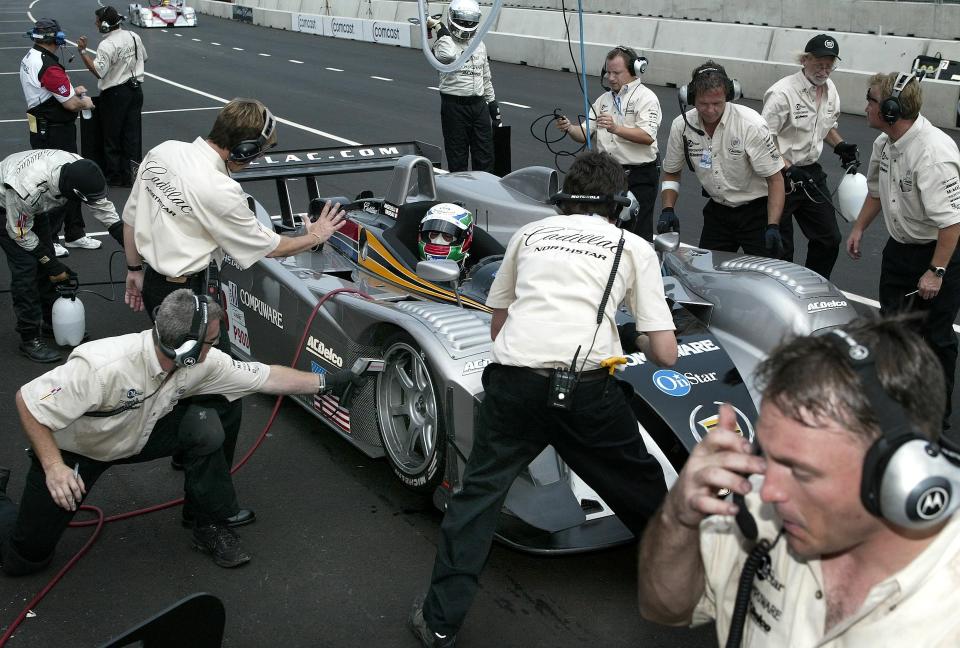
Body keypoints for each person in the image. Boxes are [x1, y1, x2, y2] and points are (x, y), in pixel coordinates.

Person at [408, 151, 678, 647]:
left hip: (516, 385)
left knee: (476, 501)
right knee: (646, 490)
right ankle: (687, 592)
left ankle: (439, 621)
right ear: (619, 204)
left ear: (564, 201)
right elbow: (665, 353)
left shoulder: (529, 235)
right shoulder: (633, 247)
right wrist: (632, 333)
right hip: (589, 393)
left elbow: (499, 323)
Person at [637, 317, 960, 645]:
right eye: (767, 455)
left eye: (802, 472)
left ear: (904, 473)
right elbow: (665, 610)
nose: (770, 491)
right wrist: (676, 517)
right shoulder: (754, 512)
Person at [0, 289, 365, 575]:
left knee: (209, 422)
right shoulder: (101, 366)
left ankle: (207, 523)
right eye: (212, 340)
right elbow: (28, 402)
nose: (217, 345)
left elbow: (266, 376)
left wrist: (328, 382)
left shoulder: (201, 363)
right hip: (79, 450)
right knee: (26, 559)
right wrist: (54, 467)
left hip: (140, 433)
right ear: (187, 348)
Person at [122, 98, 346, 526]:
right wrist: (314, 234)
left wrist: (134, 269)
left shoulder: (163, 152)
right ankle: (209, 507)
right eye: (256, 152)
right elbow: (271, 247)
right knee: (223, 397)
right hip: (190, 296)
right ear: (242, 151)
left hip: (154, 284)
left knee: (177, 375)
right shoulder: (219, 189)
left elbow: (132, 217)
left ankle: (184, 449)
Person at [846, 72, 960, 433]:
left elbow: (953, 224)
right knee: (892, 331)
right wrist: (859, 227)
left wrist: (936, 271)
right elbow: (877, 191)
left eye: (871, 99)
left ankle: (936, 419)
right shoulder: (884, 144)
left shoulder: (933, 154)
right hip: (900, 251)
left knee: (937, 337)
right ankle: (894, 405)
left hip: (940, 254)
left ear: (892, 110)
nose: (866, 105)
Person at [0, 150, 123, 363]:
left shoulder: (81, 168)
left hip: (36, 207)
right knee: (27, 269)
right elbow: (20, 234)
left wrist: (129, 243)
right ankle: (29, 338)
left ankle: (51, 321)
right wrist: (52, 263)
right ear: (74, 191)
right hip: (8, 207)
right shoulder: (25, 191)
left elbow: (104, 210)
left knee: (47, 264)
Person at [659, 61, 786, 259]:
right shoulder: (680, 126)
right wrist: (667, 209)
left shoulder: (751, 125)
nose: (710, 110)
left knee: (768, 275)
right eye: (703, 104)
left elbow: (775, 179)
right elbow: (672, 172)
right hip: (718, 212)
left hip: (757, 213)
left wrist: (773, 226)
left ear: (729, 96)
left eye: (717, 103)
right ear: (690, 98)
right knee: (707, 274)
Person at [762, 33, 857, 279]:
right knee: (781, 248)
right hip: (779, 175)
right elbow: (764, 138)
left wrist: (841, 146)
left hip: (810, 172)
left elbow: (825, 126)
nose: (824, 70)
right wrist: (786, 166)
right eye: (819, 63)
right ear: (805, 60)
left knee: (829, 238)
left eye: (829, 64)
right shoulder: (782, 93)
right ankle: (783, 294)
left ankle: (814, 285)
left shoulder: (830, 89)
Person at [556, 46, 661, 239]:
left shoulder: (646, 98)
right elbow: (586, 133)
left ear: (636, 70)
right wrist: (570, 128)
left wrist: (615, 128)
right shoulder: (603, 100)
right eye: (608, 73)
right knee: (606, 230)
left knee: (637, 232)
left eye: (617, 73)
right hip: (609, 175)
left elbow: (647, 136)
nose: (611, 78)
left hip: (639, 175)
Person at [20, 18, 101, 255]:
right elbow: (71, 104)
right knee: (56, 184)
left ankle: (74, 233)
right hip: (54, 131)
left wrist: (69, 93)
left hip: (42, 127)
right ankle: (52, 238)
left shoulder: (31, 57)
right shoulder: (50, 67)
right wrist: (86, 101)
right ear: (55, 40)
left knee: (68, 179)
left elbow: (48, 91)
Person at [425, 0, 501, 173]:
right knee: (457, 158)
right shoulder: (444, 43)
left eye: (470, 20)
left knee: (485, 157)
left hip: (479, 106)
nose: (466, 24)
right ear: (452, 18)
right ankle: (460, 198)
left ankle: (484, 195)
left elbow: (486, 78)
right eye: (462, 20)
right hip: (454, 107)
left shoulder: (479, 44)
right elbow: (448, 56)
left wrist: (494, 107)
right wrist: (439, 28)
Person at [77, 5, 147, 188]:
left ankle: (115, 176)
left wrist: (83, 53)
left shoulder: (107, 44)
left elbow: (98, 71)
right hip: (136, 90)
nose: (95, 24)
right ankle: (132, 175)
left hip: (116, 93)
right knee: (132, 135)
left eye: (97, 21)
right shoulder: (134, 36)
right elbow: (144, 58)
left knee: (112, 136)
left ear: (105, 25)